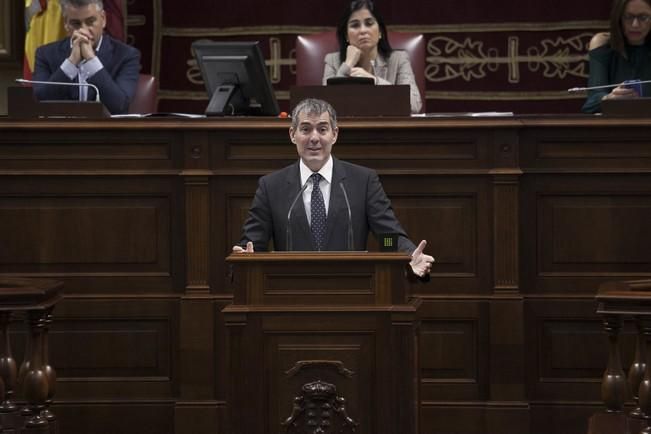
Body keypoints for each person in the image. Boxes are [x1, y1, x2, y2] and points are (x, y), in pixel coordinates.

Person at [232, 98, 434, 278]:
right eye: (305, 129)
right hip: (291, 294)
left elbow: (387, 236)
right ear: (292, 134)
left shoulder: (362, 181)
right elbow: (252, 244)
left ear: (334, 134)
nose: (314, 138)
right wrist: (244, 257)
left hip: (352, 293)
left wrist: (406, 254)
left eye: (322, 129)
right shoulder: (271, 186)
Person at [32, 0, 140, 114]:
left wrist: (91, 60)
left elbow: (119, 107)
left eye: (90, 22)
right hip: (61, 129)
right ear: (66, 24)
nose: (84, 30)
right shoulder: (45, 54)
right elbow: (40, 105)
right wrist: (71, 62)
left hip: (105, 131)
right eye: (76, 24)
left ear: (103, 19)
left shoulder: (126, 55)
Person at [322, 0, 423, 114]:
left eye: (369, 23)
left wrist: (374, 81)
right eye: (355, 25)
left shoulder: (399, 59)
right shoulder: (332, 60)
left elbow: (414, 104)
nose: (363, 30)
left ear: (380, 32)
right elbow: (325, 108)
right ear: (346, 35)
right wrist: (347, 65)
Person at [582, 0, 651, 113]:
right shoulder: (602, 43)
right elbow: (592, 103)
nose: (635, 24)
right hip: (615, 126)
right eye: (628, 17)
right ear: (618, 18)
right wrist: (609, 98)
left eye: (643, 17)